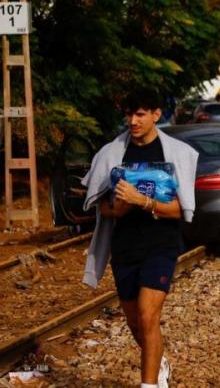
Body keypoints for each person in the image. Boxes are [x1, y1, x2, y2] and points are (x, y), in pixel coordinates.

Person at [81, 92, 198, 388]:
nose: (133, 121)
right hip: (125, 246)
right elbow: (101, 207)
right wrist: (117, 208)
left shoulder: (176, 153)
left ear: (156, 115)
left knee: (148, 316)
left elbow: (180, 210)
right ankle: (159, 361)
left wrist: (142, 201)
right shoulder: (112, 154)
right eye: (129, 114)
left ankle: (148, 384)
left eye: (141, 114)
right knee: (136, 324)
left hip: (161, 243)